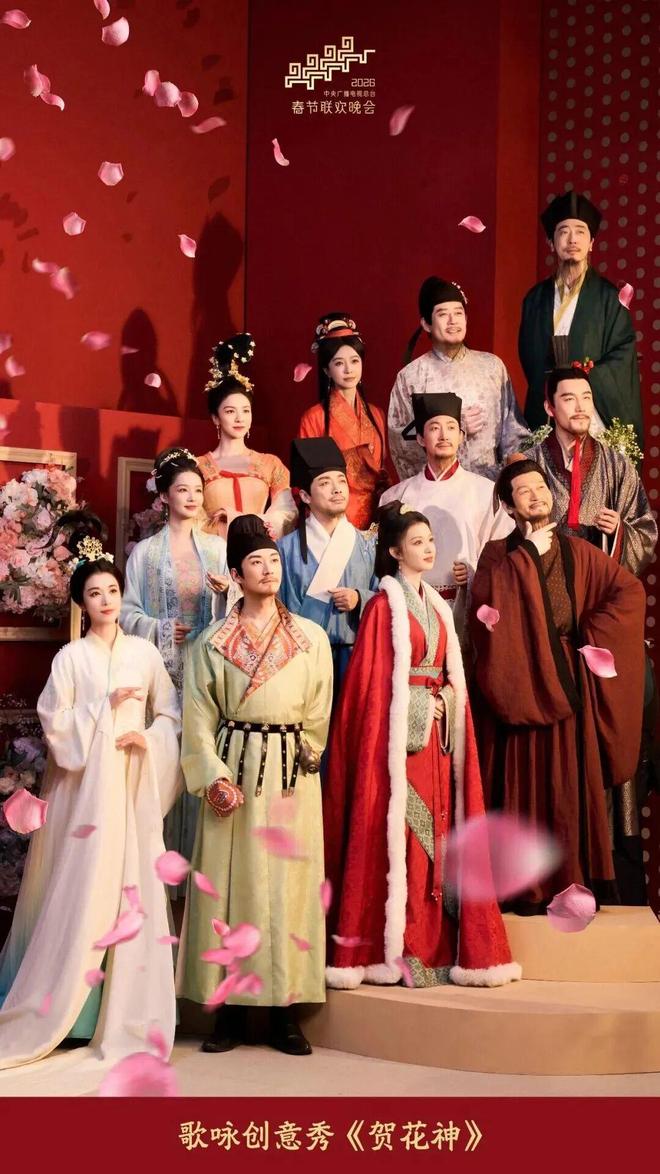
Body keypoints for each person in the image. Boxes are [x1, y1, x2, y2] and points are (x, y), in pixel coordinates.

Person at [0, 511, 181, 1072]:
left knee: (128, 889)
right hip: (83, 796)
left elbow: (170, 714)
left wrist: (147, 738)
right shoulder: (71, 658)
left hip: (130, 788)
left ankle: (123, 1012)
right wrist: (103, 709)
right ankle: (71, 1012)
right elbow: (56, 724)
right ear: (82, 601)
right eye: (95, 593)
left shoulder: (144, 655)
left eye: (113, 591)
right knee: (80, 888)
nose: (106, 600)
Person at [323, 502, 520, 990]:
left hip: (438, 737)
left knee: (441, 833)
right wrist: (418, 705)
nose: (428, 549)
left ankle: (438, 945)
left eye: (430, 540)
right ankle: (401, 947)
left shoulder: (436, 604)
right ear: (395, 552)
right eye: (417, 543)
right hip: (399, 743)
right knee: (404, 835)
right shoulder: (382, 607)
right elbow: (372, 688)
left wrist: (445, 702)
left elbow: (451, 676)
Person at [176, 515, 333, 1056]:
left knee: (289, 885)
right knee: (230, 886)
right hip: (235, 764)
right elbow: (197, 718)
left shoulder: (310, 638)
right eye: (255, 562)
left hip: (289, 773)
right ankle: (228, 1011)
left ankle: (286, 1011)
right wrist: (213, 776)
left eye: (272, 560)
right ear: (237, 576)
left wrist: (307, 752)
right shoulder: (210, 643)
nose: (267, 569)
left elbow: (319, 709)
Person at [470, 460, 646, 914]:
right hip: (519, 681)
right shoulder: (498, 555)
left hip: (566, 680)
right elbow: (485, 613)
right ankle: (524, 884)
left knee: (567, 784)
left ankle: (571, 878)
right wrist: (526, 556)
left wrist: (589, 637)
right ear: (509, 506)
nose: (536, 495)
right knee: (522, 785)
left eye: (540, 486)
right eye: (523, 491)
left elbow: (628, 592)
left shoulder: (577, 551)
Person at [120, 446, 230, 876]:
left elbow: (240, 608)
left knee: (205, 755)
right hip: (163, 672)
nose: (192, 498)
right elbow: (127, 612)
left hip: (208, 669)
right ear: (164, 496)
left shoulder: (217, 550)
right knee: (163, 762)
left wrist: (226, 594)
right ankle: (157, 880)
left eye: (197, 490)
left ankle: (201, 877)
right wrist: (163, 627)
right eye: (182, 490)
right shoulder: (145, 553)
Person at [380, 392, 513, 634]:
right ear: (421, 438)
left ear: (461, 436)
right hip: (412, 609)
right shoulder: (396, 496)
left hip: (467, 607)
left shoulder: (486, 491)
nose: (443, 435)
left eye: (451, 427)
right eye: (434, 428)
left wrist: (473, 572)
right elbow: (384, 561)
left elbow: (503, 554)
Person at [519, 190, 643, 446]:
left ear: (591, 242)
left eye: (580, 231)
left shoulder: (610, 298)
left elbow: (623, 354)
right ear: (551, 242)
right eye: (563, 231)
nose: (572, 239)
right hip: (549, 409)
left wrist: (583, 376)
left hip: (593, 411)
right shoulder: (535, 299)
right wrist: (553, 385)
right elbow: (529, 357)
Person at [522, 346, 656, 576]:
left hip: (597, 580)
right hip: (544, 581)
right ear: (549, 408)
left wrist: (619, 530)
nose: (580, 407)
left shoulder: (617, 465)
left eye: (586, 397)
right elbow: (507, 530)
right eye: (569, 399)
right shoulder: (530, 464)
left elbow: (646, 530)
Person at [388, 277, 529, 482]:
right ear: (426, 324)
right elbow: (400, 442)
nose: (452, 321)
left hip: (489, 485)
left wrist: (515, 475)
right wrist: (453, 427)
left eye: (458, 313)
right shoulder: (410, 376)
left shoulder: (492, 367)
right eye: (443, 314)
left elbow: (513, 430)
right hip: (437, 487)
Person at [277, 437, 378, 696]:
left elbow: (388, 598)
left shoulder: (368, 545)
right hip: (303, 659)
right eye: (324, 483)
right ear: (305, 495)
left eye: (341, 481)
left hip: (355, 657)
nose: (337, 489)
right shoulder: (284, 549)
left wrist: (360, 598)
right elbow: (275, 608)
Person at [196, 333, 297, 541]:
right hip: (215, 551)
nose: (239, 418)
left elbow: (286, 512)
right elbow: (193, 519)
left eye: (246, 410)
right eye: (230, 411)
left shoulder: (270, 464)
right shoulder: (198, 466)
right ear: (216, 418)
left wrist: (243, 521)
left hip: (259, 548)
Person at [298, 313, 389, 529]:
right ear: (327, 370)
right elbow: (306, 476)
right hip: (335, 515)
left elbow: (383, 467)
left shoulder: (376, 414)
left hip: (375, 514)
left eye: (355, 361)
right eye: (339, 363)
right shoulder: (314, 417)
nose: (349, 370)